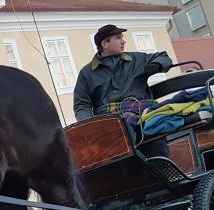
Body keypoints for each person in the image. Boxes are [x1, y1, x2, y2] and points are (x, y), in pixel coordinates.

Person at [73, 24, 172, 156]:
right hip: (109, 119)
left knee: (150, 124)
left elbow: (163, 56)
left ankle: (160, 167)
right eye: (118, 38)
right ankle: (127, 161)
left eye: (122, 37)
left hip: (142, 110)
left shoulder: (137, 59)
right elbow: (82, 104)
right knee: (121, 123)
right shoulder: (86, 73)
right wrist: (90, 126)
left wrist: (157, 65)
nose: (123, 41)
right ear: (105, 44)